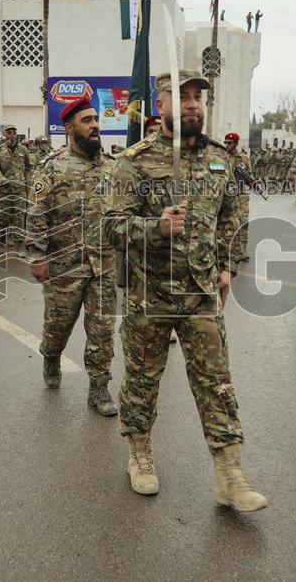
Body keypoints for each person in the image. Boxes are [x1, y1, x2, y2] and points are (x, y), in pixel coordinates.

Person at [104, 68, 267, 512]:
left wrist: (230, 267)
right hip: (148, 294)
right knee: (142, 381)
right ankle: (139, 454)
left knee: (216, 384)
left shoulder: (223, 159)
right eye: (183, 96)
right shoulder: (133, 162)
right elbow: (110, 226)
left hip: (201, 294)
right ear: (161, 106)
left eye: (197, 97)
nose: (193, 104)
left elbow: (234, 217)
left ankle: (230, 473)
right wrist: (154, 227)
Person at [27, 97, 118, 416]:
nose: (95, 125)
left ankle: (99, 385)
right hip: (64, 267)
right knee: (58, 327)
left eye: (96, 119)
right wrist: (37, 256)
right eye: (87, 120)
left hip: (104, 265)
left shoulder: (111, 166)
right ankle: (51, 356)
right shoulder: (50, 166)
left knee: (103, 329)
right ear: (69, 128)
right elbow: (36, 214)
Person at [0, 124, 33, 248]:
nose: (11, 135)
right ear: (5, 134)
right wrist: (3, 180)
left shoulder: (23, 150)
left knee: (19, 218)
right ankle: (2, 243)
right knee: (3, 217)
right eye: (9, 133)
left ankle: (19, 247)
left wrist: (27, 179)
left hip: (20, 190)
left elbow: (29, 166)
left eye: (13, 133)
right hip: (4, 190)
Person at [223, 132, 252, 263]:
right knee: (229, 222)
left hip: (241, 195)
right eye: (226, 143)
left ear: (236, 144)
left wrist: (252, 182)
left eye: (229, 143)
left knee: (244, 222)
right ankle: (230, 249)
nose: (227, 145)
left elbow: (250, 175)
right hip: (227, 195)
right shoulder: (221, 156)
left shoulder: (244, 158)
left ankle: (242, 250)